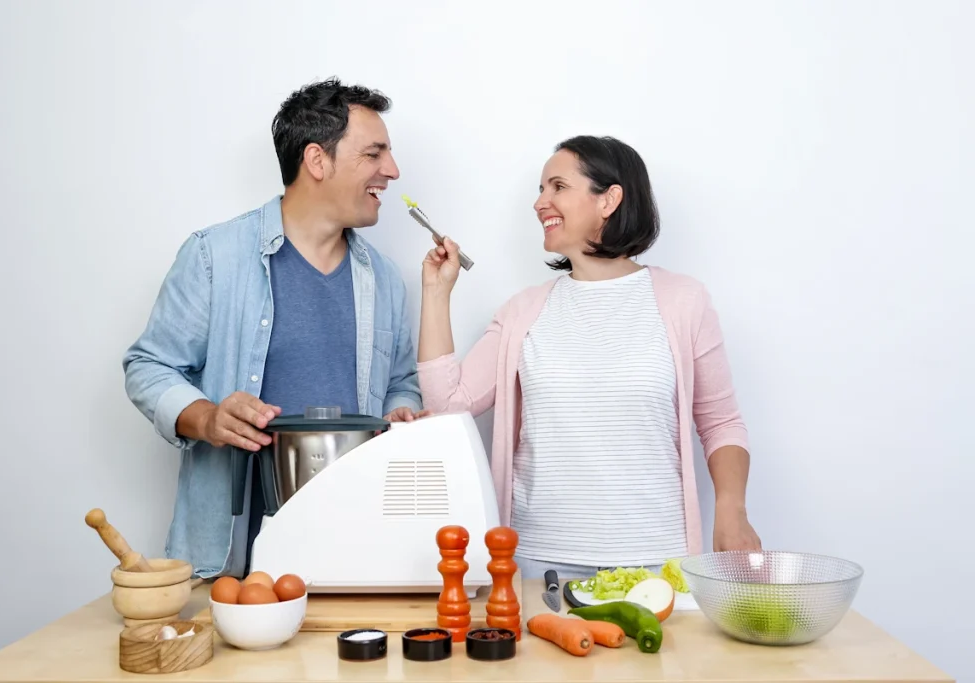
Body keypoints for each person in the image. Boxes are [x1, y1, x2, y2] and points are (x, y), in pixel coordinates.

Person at [416, 135, 761, 580]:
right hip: (539, 565)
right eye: (540, 189)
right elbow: (449, 406)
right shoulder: (523, 311)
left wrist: (732, 511)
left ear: (609, 199)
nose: (541, 202)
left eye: (557, 186)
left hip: (658, 562)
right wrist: (435, 293)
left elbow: (721, 422)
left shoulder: (683, 302)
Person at [123, 78, 427, 580]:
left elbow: (400, 382)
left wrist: (402, 413)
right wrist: (206, 417)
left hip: (358, 544)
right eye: (375, 153)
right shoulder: (212, 257)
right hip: (234, 563)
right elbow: (148, 366)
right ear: (317, 160)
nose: (391, 171)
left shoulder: (385, 279)